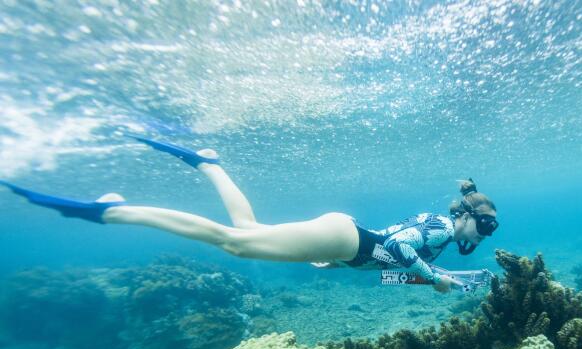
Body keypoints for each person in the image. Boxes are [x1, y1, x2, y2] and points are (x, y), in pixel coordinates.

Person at [0, 136, 498, 293]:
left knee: (246, 231)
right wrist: (434, 276)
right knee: (234, 243)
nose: (484, 235)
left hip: (343, 244)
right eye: (485, 225)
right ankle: (113, 212)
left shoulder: (444, 242)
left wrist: (437, 277)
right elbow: (400, 248)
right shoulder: (437, 227)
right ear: (468, 215)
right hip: (347, 238)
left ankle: (209, 163)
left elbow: (389, 271)